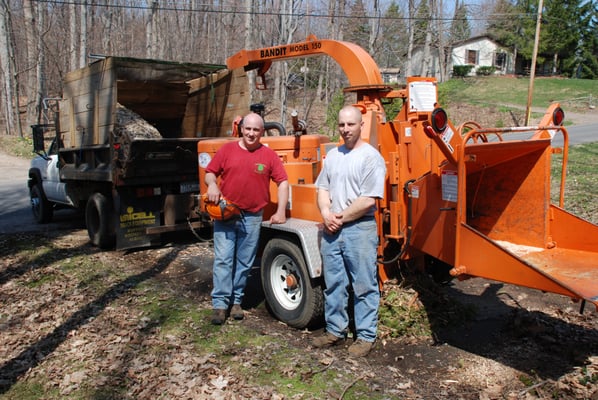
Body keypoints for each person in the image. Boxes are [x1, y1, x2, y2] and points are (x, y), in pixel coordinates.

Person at [312, 105, 386, 357]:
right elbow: (322, 188)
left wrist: (338, 218)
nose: (345, 129)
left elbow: (368, 200)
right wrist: (325, 214)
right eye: (342, 124)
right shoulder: (333, 155)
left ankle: (365, 336)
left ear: (361, 125)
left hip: (359, 230)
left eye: (351, 124)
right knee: (334, 283)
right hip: (333, 229)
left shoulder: (371, 157)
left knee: (364, 284)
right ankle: (335, 330)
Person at [204, 112, 289, 325]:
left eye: (256, 130)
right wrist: (212, 184)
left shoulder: (268, 155)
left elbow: (283, 182)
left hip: (252, 217)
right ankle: (220, 304)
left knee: (244, 262)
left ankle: (236, 302)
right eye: (248, 129)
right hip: (226, 214)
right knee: (224, 259)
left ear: (262, 132)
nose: (251, 134)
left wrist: (280, 211)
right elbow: (210, 172)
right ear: (242, 129)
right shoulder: (227, 150)